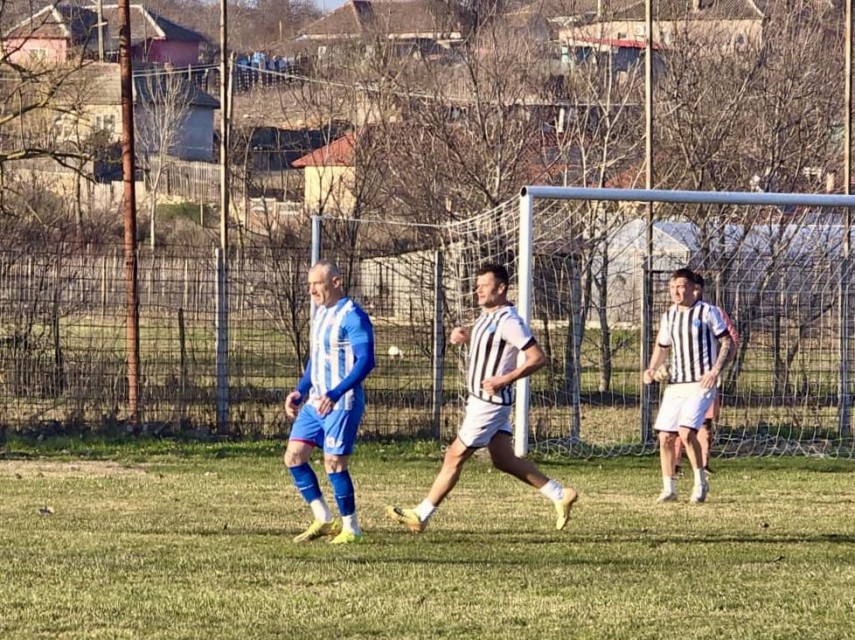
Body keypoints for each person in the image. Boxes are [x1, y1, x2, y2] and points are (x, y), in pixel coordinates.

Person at [386, 263, 578, 533]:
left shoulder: (509, 321)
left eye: (484, 286)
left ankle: (421, 514)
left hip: (489, 403)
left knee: (454, 455)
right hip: (482, 401)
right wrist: (465, 334)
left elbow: (537, 358)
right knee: (503, 459)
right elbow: (488, 340)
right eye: (477, 286)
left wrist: (504, 379)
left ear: (501, 288)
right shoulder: (487, 316)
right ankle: (559, 494)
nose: (477, 290)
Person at [283, 259, 376, 544]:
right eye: (309, 284)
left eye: (317, 284)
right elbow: (317, 358)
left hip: (341, 402)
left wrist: (335, 393)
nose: (311, 290)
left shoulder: (353, 316)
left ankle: (351, 528)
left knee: (334, 463)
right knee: (294, 457)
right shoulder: (320, 314)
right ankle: (323, 518)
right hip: (316, 402)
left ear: (336, 282)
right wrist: (300, 390)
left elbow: (366, 361)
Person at [643, 268, 734, 504]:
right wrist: (652, 369)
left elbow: (728, 343)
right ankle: (669, 489)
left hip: (700, 384)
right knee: (665, 436)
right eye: (672, 287)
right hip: (676, 385)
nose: (676, 291)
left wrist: (715, 371)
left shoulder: (708, 312)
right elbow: (662, 346)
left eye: (681, 286)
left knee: (686, 431)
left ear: (693, 288)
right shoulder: (669, 316)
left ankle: (700, 482)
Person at [673, 272, 739, 477]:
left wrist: (717, 369)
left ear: (700, 290)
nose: (692, 292)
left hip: (706, 381)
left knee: (704, 422)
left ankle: (703, 464)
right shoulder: (673, 314)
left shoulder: (713, 313)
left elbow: (731, 341)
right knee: (678, 423)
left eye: (696, 289)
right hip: (681, 380)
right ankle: (675, 465)